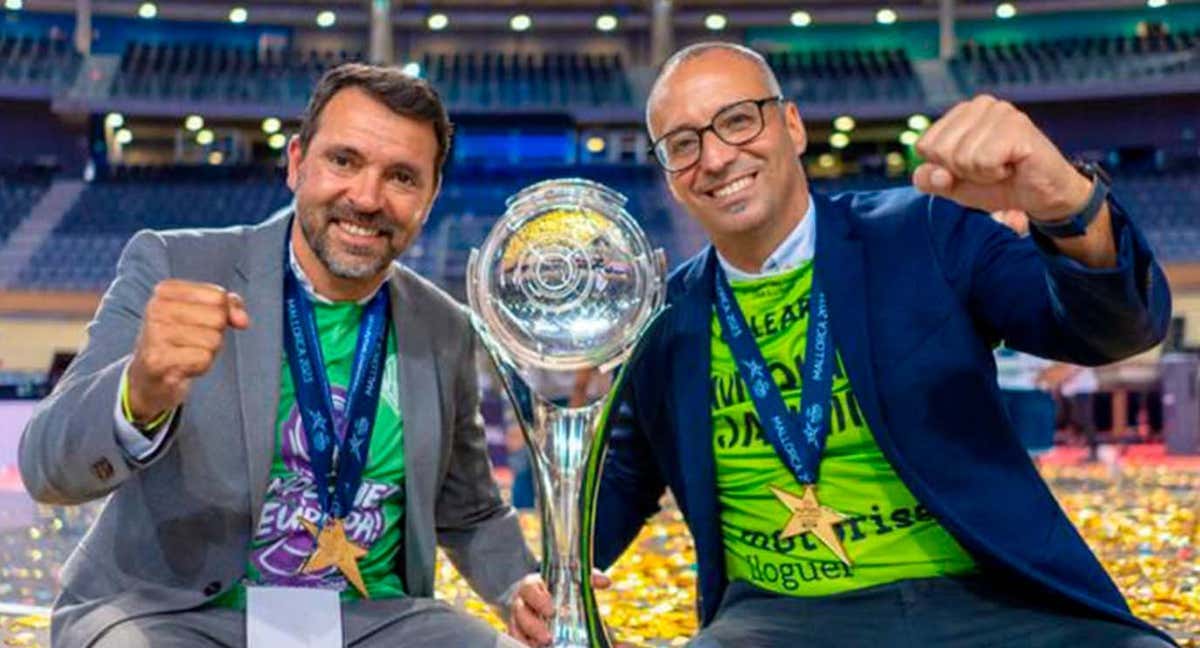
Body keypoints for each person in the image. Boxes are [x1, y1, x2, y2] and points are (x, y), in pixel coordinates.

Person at [593, 42, 1176, 646]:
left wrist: (1066, 203)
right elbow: (629, 472)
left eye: (738, 120)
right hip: (777, 618)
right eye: (682, 144)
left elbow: (1112, 329)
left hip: (992, 601)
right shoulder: (660, 314)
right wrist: (551, 576)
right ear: (668, 173)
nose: (714, 157)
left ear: (792, 125)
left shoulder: (923, 230)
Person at [18, 63, 555, 647]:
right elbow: (46, 466)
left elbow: (469, 510)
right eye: (344, 161)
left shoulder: (444, 326)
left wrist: (517, 583)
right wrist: (139, 393)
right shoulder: (176, 268)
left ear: (429, 196)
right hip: (175, 617)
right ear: (297, 163)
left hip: (371, 623)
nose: (367, 198)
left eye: (402, 177)